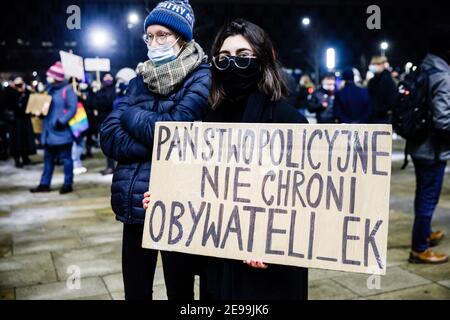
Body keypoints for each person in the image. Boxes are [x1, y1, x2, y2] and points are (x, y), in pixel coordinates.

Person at [100, 0, 211, 300]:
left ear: (182, 38)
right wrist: (158, 136)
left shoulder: (201, 76)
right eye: (149, 36)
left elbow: (177, 129)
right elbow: (108, 136)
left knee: (180, 291)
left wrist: (131, 116)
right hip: (134, 204)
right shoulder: (141, 77)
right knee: (135, 291)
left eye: (162, 35)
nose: (154, 42)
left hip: (177, 205)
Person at [199, 18, 308, 300]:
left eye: (243, 56)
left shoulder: (290, 122)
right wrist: (166, 195)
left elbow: (305, 204)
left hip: (271, 274)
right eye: (223, 58)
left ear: (262, 60)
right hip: (219, 264)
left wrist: (272, 244)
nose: (232, 64)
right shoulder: (208, 121)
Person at [407, 25, 450, 264]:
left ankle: (424, 233)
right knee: (428, 197)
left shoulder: (424, 68)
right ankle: (419, 248)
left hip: (418, 144)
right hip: (432, 149)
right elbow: (444, 121)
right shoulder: (442, 75)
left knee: (423, 194)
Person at [30, 61, 77, 194]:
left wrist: (61, 121)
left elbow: (72, 109)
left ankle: (68, 184)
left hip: (62, 132)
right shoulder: (48, 90)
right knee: (48, 160)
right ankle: (44, 184)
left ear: (56, 77)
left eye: (50, 75)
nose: (48, 77)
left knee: (66, 159)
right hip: (49, 133)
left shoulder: (67, 90)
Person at [1, 76, 36, 167]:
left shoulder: (26, 91)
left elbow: (30, 100)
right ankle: (17, 159)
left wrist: (25, 92)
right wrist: (17, 92)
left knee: (26, 139)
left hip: (25, 118)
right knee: (16, 140)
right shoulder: (8, 91)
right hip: (15, 120)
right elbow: (5, 104)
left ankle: (25, 157)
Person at [93, 73, 116, 175]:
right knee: (107, 146)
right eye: (105, 77)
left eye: (110, 76)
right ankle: (110, 166)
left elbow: (108, 103)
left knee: (113, 146)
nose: (108, 78)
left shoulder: (115, 90)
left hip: (113, 121)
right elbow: (94, 103)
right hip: (103, 121)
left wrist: (100, 102)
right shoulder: (100, 90)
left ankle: (112, 167)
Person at [367, 55, 398, 124]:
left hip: (385, 117)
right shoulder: (371, 82)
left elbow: (392, 100)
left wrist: (384, 111)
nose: (374, 66)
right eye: (373, 64)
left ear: (384, 65)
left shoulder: (389, 81)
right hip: (372, 117)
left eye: (377, 64)